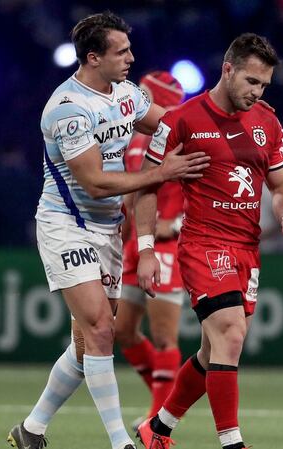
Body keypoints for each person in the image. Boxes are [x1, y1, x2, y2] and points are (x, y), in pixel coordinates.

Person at [6, 12, 210, 449]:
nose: (132, 58)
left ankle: (31, 430)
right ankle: (122, 443)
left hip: (109, 230)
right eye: (122, 52)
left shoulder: (126, 95)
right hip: (67, 225)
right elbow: (95, 181)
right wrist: (162, 173)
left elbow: (173, 124)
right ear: (93, 58)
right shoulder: (69, 109)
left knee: (87, 344)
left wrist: (226, 124)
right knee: (101, 329)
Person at [134, 33, 283, 449]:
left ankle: (157, 429)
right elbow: (146, 187)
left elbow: (282, 185)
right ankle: (232, 443)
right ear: (227, 70)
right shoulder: (181, 120)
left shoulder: (267, 122)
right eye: (250, 81)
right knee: (230, 335)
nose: (256, 92)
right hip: (204, 244)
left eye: (263, 85)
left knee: (213, 353)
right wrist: (146, 249)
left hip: (248, 249)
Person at [115, 71, 187, 426]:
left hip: (166, 247)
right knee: (122, 330)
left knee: (163, 337)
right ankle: (164, 405)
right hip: (134, 243)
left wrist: (174, 224)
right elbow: (132, 191)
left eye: (145, 94)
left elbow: (209, 190)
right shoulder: (134, 138)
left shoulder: (182, 139)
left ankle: (158, 420)